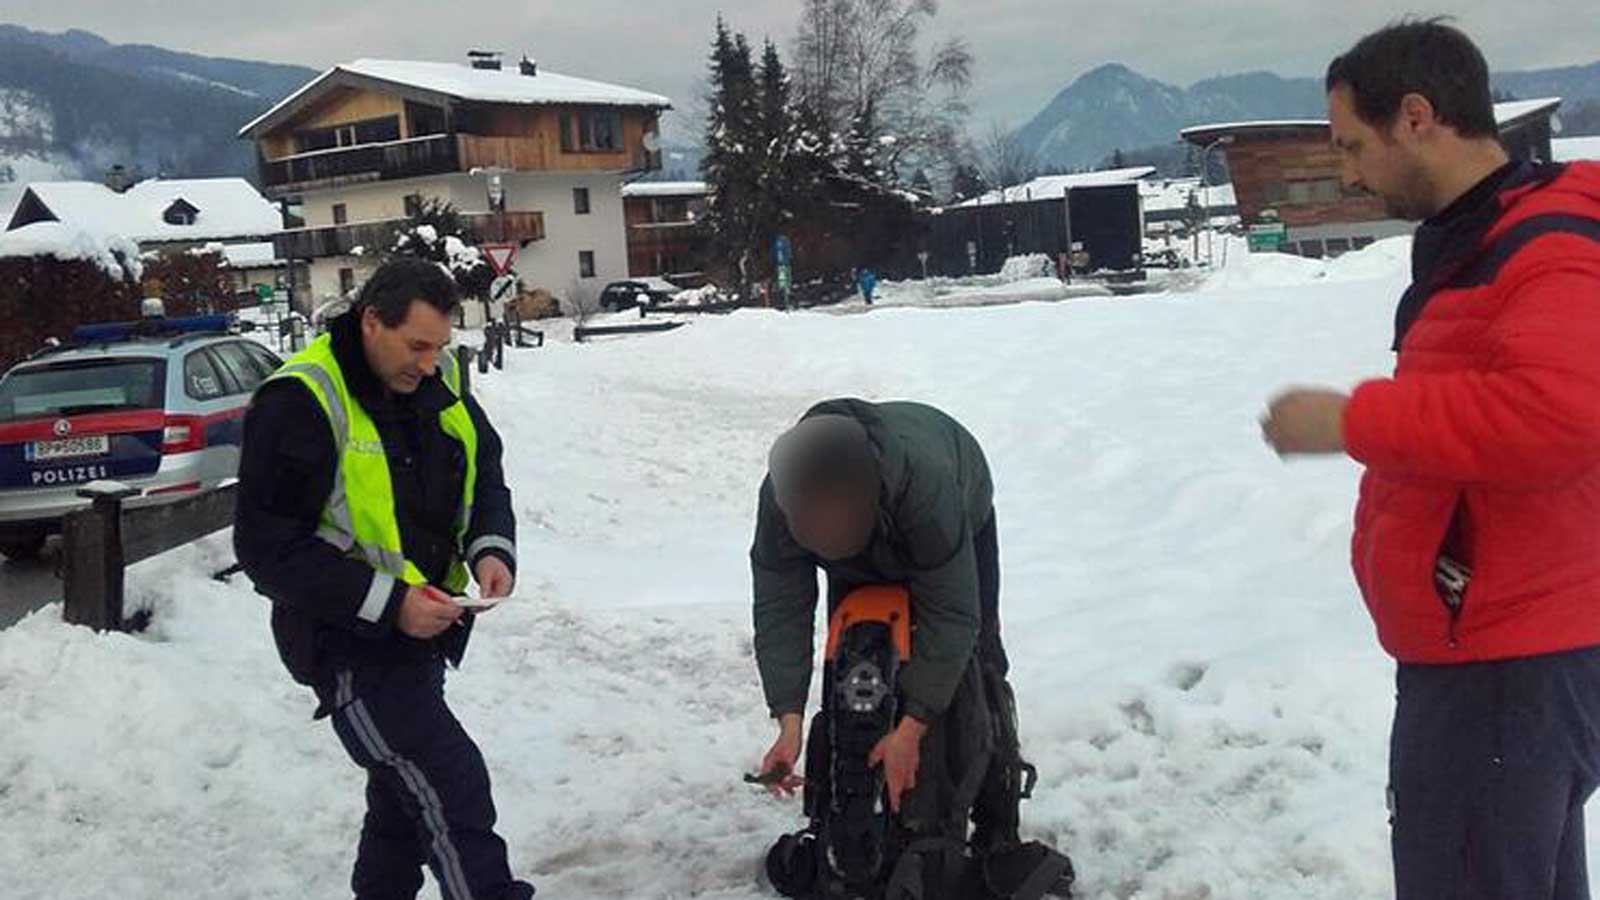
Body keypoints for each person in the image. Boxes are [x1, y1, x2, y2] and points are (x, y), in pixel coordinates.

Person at [1262, 20, 1600, 900]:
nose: (1346, 171)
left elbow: (1557, 413)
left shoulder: (1546, 246)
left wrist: (1351, 420)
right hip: (1495, 654)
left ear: (1417, 117)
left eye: (1352, 145)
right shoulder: (1477, 239)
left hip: (1508, 662)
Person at [235, 258, 534, 900]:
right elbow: (265, 547)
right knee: (452, 786)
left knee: (401, 807)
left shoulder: (440, 376)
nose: (429, 363)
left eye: (440, 346)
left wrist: (491, 549)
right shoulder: (301, 400)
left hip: (424, 635)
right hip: (345, 644)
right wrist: (390, 603)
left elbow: (485, 472)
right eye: (416, 345)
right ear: (372, 321)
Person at [751, 400, 1070, 897]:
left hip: (954, 501)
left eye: (837, 526)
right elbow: (781, 606)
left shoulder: (928, 486)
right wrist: (788, 721)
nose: (826, 536)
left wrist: (913, 725)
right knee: (853, 666)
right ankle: (855, 817)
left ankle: (994, 809)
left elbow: (953, 614)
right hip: (871, 523)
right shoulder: (783, 497)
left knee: (973, 654)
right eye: (815, 529)